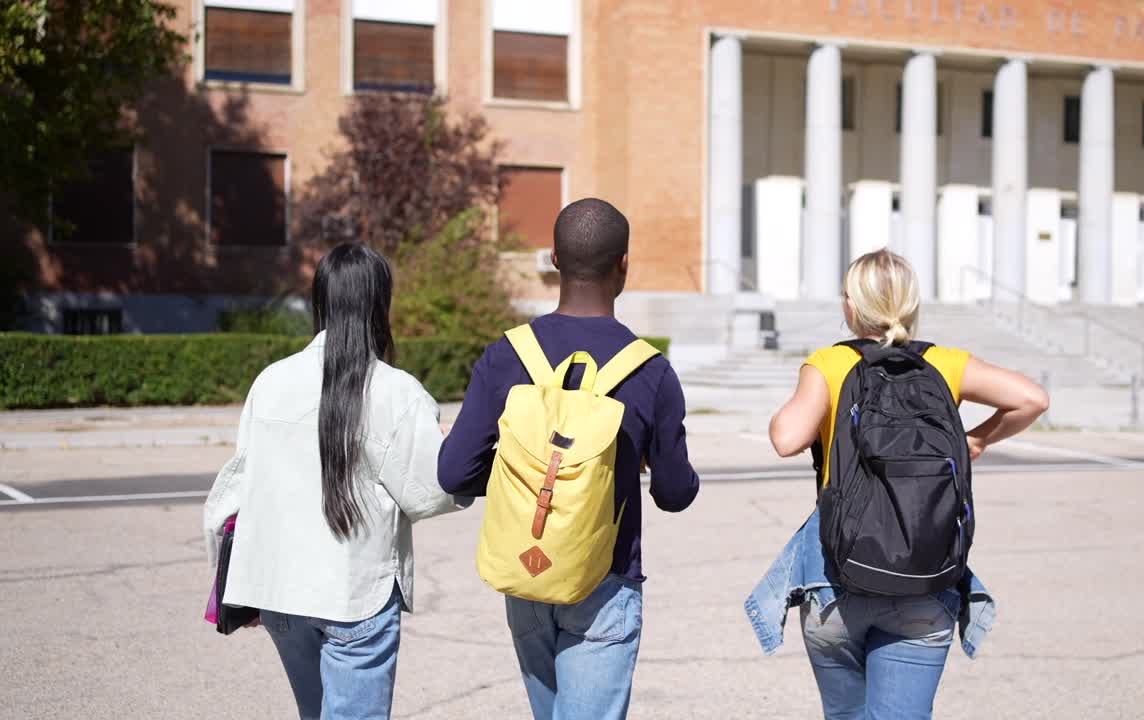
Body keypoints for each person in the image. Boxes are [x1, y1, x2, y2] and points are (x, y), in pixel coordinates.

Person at [747, 249, 1049, 719]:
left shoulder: (830, 364)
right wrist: (978, 438)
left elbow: (785, 439)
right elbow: (1032, 399)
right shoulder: (945, 364)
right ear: (910, 304)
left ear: (851, 306)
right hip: (925, 578)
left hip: (837, 581)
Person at [438, 198, 700, 720]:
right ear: (624, 263)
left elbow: (454, 473)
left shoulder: (506, 355)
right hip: (606, 579)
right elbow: (674, 494)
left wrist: (525, 471)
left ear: (553, 259)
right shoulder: (650, 372)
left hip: (527, 571)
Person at [203, 243, 466, 720]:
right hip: (356, 594)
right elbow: (430, 492)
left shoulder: (271, 382)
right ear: (379, 304)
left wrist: (237, 586)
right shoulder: (395, 391)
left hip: (280, 591)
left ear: (319, 300)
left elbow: (232, 495)